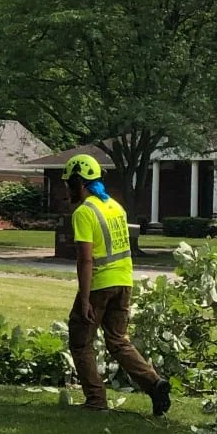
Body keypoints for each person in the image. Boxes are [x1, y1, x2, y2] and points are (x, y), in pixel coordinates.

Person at [62, 153, 171, 415]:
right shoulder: (116, 207)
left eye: (69, 184)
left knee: (80, 340)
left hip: (100, 284)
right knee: (118, 340)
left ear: (80, 182)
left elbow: (85, 259)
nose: (67, 190)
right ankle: (154, 383)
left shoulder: (84, 213)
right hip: (124, 282)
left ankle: (96, 401)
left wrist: (85, 298)